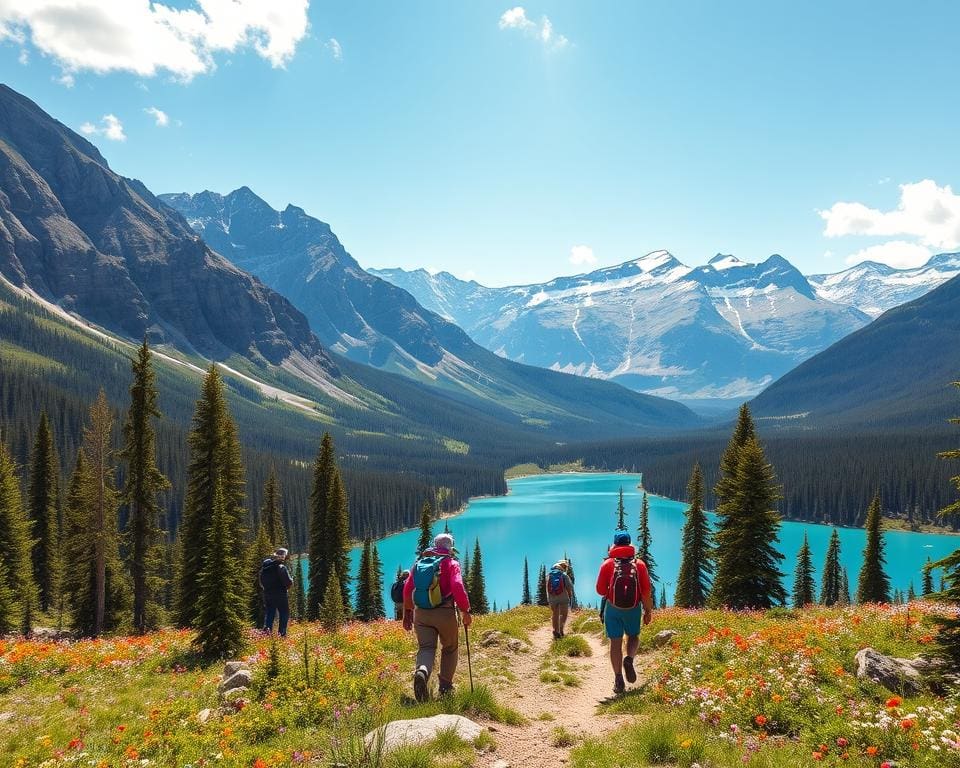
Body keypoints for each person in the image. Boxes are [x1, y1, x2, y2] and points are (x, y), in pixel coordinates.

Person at [402, 533, 471, 701]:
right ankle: (445, 688)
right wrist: (465, 611)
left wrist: (408, 612)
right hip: (445, 613)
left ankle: (422, 672)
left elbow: (407, 589)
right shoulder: (451, 563)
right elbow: (457, 586)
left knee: (426, 648)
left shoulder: (419, 563)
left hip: (422, 614)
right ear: (450, 547)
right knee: (450, 648)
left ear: (435, 546)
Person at [595, 532, 653, 694]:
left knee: (615, 642)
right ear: (629, 544)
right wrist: (648, 611)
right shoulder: (639, 564)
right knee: (633, 636)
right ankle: (629, 659)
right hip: (633, 609)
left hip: (614, 608)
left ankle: (618, 678)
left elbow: (600, 591)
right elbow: (646, 592)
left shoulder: (608, 564)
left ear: (615, 545)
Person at [259, 547, 294, 637]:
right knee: (284, 613)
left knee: (270, 613)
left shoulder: (265, 568)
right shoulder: (281, 567)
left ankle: (267, 633)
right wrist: (291, 581)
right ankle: (282, 634)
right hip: (280, 594)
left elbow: (261, 582)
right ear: (283, 557)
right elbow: (288, 582)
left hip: (267, 594)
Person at [546, 560, 575, 639]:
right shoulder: (564, 575)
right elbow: (569, 587)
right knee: (563, 614)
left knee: (555, 614)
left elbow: (547, 588)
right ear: (563, 567)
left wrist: (549, 599)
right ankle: (561, 630)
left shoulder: (548, 575)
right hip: (563, 597)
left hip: (552, 598)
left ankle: (555, 630)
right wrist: (570, 596)